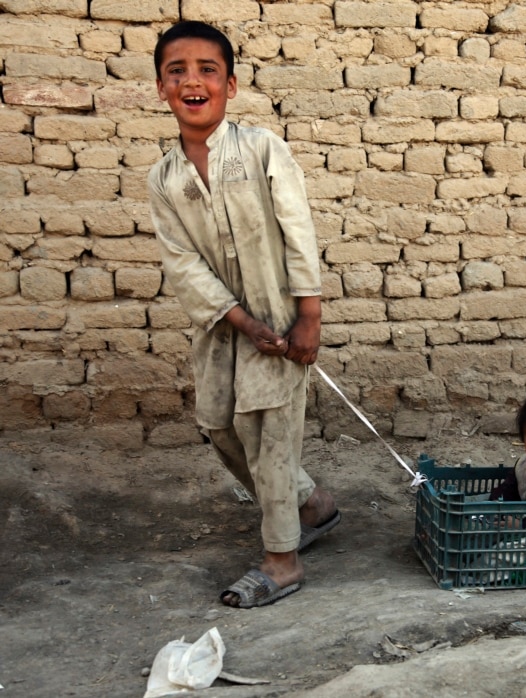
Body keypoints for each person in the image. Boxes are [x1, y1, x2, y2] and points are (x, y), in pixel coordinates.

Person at [147, 21, 340, 608]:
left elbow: (297, 228)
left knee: (270, 435)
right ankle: (311, 505)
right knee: (223, 429)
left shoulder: (260, 148)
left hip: (281, 319)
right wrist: (239, 321)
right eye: (177, 71)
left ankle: (281, 561)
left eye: (207, 69)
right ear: (161, 88)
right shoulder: (163, 178)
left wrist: (308, 315)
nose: (192, 80)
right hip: (223, 330)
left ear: (229, 85)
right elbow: (182, 264)